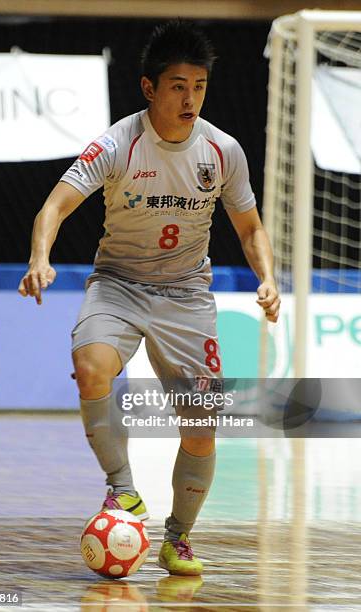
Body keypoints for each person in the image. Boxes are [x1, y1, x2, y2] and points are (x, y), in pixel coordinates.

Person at [18, 19, 280, 576]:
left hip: (187, 296)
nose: (191, 99)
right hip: (117, 284)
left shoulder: (223, 151)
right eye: (179, 86)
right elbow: (54, 206)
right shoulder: (117, 144)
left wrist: (268, 277)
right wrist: (41, 258)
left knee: (202, 425)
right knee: (91, 367)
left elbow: (250, 228)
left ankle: (177, 538)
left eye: (200, 87)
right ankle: (124, 492)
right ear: (149, 89)